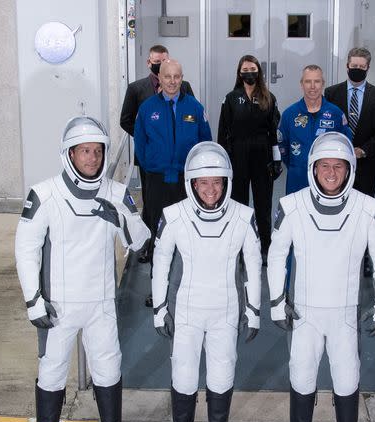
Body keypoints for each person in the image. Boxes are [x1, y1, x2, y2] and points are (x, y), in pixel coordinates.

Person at [15, 116, 150, 422]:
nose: (91, 158)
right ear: (69, 154)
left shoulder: (117, 192)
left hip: (101, 303)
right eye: (84, 151)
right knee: (51, 373)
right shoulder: (44, 194)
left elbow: (140, 240)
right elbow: (25, 249)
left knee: (109, 368)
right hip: (57, 306)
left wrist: (120, 217)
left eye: (97, 151)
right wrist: (33, 301)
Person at [267, 132, 375, 422]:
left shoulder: (367, 208)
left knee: (347, 377)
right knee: (302, 374)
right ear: (313, 168)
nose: (332, 172)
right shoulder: (291, 205)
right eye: (325, 165)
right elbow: (276, 254)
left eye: (339, 166)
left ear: (350, 168)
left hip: (343, 314)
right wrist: (277, 302)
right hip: (305, 312)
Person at [152, 142, 262, 422]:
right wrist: (159, 309)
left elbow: (254, 265)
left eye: (217, 182)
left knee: (222, 373)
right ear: (192, 183)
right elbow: (160, 263)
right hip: (185, 311)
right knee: (183, 374)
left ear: (226, 182)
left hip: (225, 311)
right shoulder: (173, 216)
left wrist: (253, 311)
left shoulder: (244, 216)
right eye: (203, 182)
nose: (211, 189)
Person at [134, 59, 212, 305]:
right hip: (157, 182)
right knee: (159, 236)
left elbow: (205, 142)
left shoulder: (195, 108)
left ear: (182, 78)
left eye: (177, 77)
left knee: (189, 235)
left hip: (185, 183)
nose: (172, 81)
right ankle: (158, 290)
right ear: (160, 78)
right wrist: (153, 165)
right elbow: (140, 144)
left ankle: (188, 287)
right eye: (167, 77)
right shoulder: (147, 109)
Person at [119, 44, 194, 263]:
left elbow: (192, 119)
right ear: (150, 63)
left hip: (179, 164)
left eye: (164, 60)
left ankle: (179, 247)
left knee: (180, 204)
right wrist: (151, 142)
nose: (171, 80)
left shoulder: (186, 87)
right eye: (157, 62)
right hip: (150, 161)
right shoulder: (136, 89)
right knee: (151, 205)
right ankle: (150, 247)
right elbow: (126, 120)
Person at [325, 48, 375, 277]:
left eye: (362, 67)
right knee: (336, 208)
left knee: (362, 211)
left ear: (368, 69)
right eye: (354, 65)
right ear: (347, 65)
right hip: (337, 164)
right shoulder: (331, 93)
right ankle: (336, 255)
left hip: (366, 163)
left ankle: (363, 257)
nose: (357, 70)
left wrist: (364, 150)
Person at [218, 55, 281, 265]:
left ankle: (264, 246)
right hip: (238, 156)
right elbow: (222, 133)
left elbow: (274, 132)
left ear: (258, 72)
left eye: (252, 69)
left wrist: (277, 158)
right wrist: (224, 163)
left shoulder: (268, 98)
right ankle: (239, 246)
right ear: (239, 73)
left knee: (263, 205)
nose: (249, 73)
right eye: (245, 69)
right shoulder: (230, 98)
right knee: (239, 204)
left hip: (262, 156)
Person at [278, 65, 351, 195]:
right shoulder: (289, 114)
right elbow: (283, 148)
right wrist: (298, 165)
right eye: (308, 81)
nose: (312, 86)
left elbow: (346, 143)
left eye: (317, 81)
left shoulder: (336, 114)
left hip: (328, 180)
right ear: (302, 84)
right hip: (297, 179)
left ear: (322, 84)